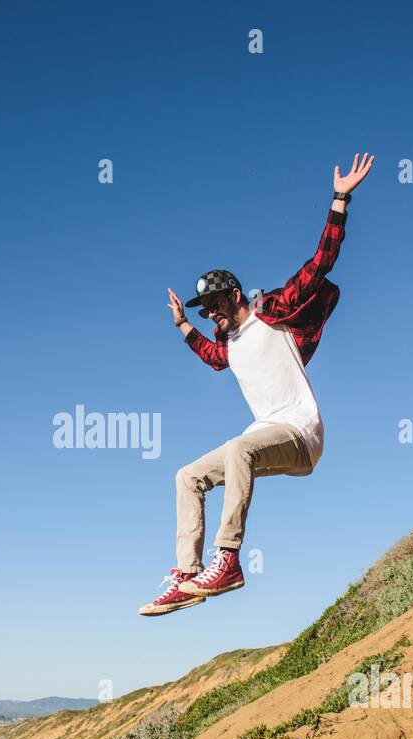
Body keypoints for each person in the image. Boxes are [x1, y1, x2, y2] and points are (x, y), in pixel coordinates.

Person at [140, 153, 375, 616]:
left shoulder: (273, 315)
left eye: (213, 306)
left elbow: (319, 264)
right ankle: (187, 575)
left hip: (301, 434)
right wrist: (182, 324)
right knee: (186, 477)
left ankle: (227, 560)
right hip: (265, 437)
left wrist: (340, 199)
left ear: (233, 294)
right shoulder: (227, 343)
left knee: (238, 447)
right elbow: (211, 358)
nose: (211, 316)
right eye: (204, 311)